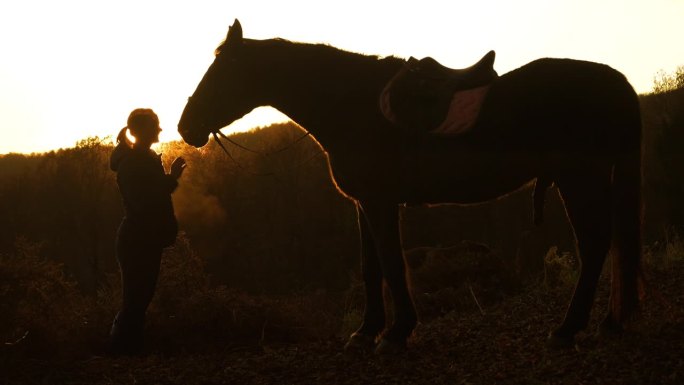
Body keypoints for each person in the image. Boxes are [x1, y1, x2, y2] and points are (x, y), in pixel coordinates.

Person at [108, 108, 186, 355]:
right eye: (155, 126)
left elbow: (150, 193)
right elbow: (145, 199)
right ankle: (121, 350)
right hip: (137, 240)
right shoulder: (133, 162)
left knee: (140, 298)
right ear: (142, 130)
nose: (160, 130)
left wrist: (169, 179)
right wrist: (171, 179)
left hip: (143, 239)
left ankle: (129, 350)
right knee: (135, 300)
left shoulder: (142, 158)